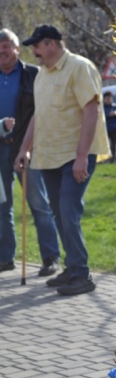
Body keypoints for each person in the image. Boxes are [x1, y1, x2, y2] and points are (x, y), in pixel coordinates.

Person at [15, 24, 110, 296]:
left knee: (69, 212)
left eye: (37, 46)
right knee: (59, 215)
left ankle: (81, 274)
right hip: (48, 155)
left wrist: (82, 157)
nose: (34, 52)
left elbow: (91, 111)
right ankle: (72, 267)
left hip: (75, 156)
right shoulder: (41, 75)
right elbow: (38, 115)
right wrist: (25, 149)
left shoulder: (80, 68)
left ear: (52, 44)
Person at [0, 28, 60, 275]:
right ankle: (5, 258)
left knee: (38, 204)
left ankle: (50, 258)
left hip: (26, 149)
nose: (2, 51)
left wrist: (29, 146)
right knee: (2, 207)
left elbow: (44, 112)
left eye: (6, 46)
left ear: (16, 49)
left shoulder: (33, 75)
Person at [103, 91, 116, 162]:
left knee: (114, 145)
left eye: (110, 98)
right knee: (105, 145)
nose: (109, 99)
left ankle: (112, 160)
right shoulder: (102, 107)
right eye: (107, 98)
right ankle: (104, 159)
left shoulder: (115, 106)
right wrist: (108, 115)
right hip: (106, 128)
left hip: (115, 128)